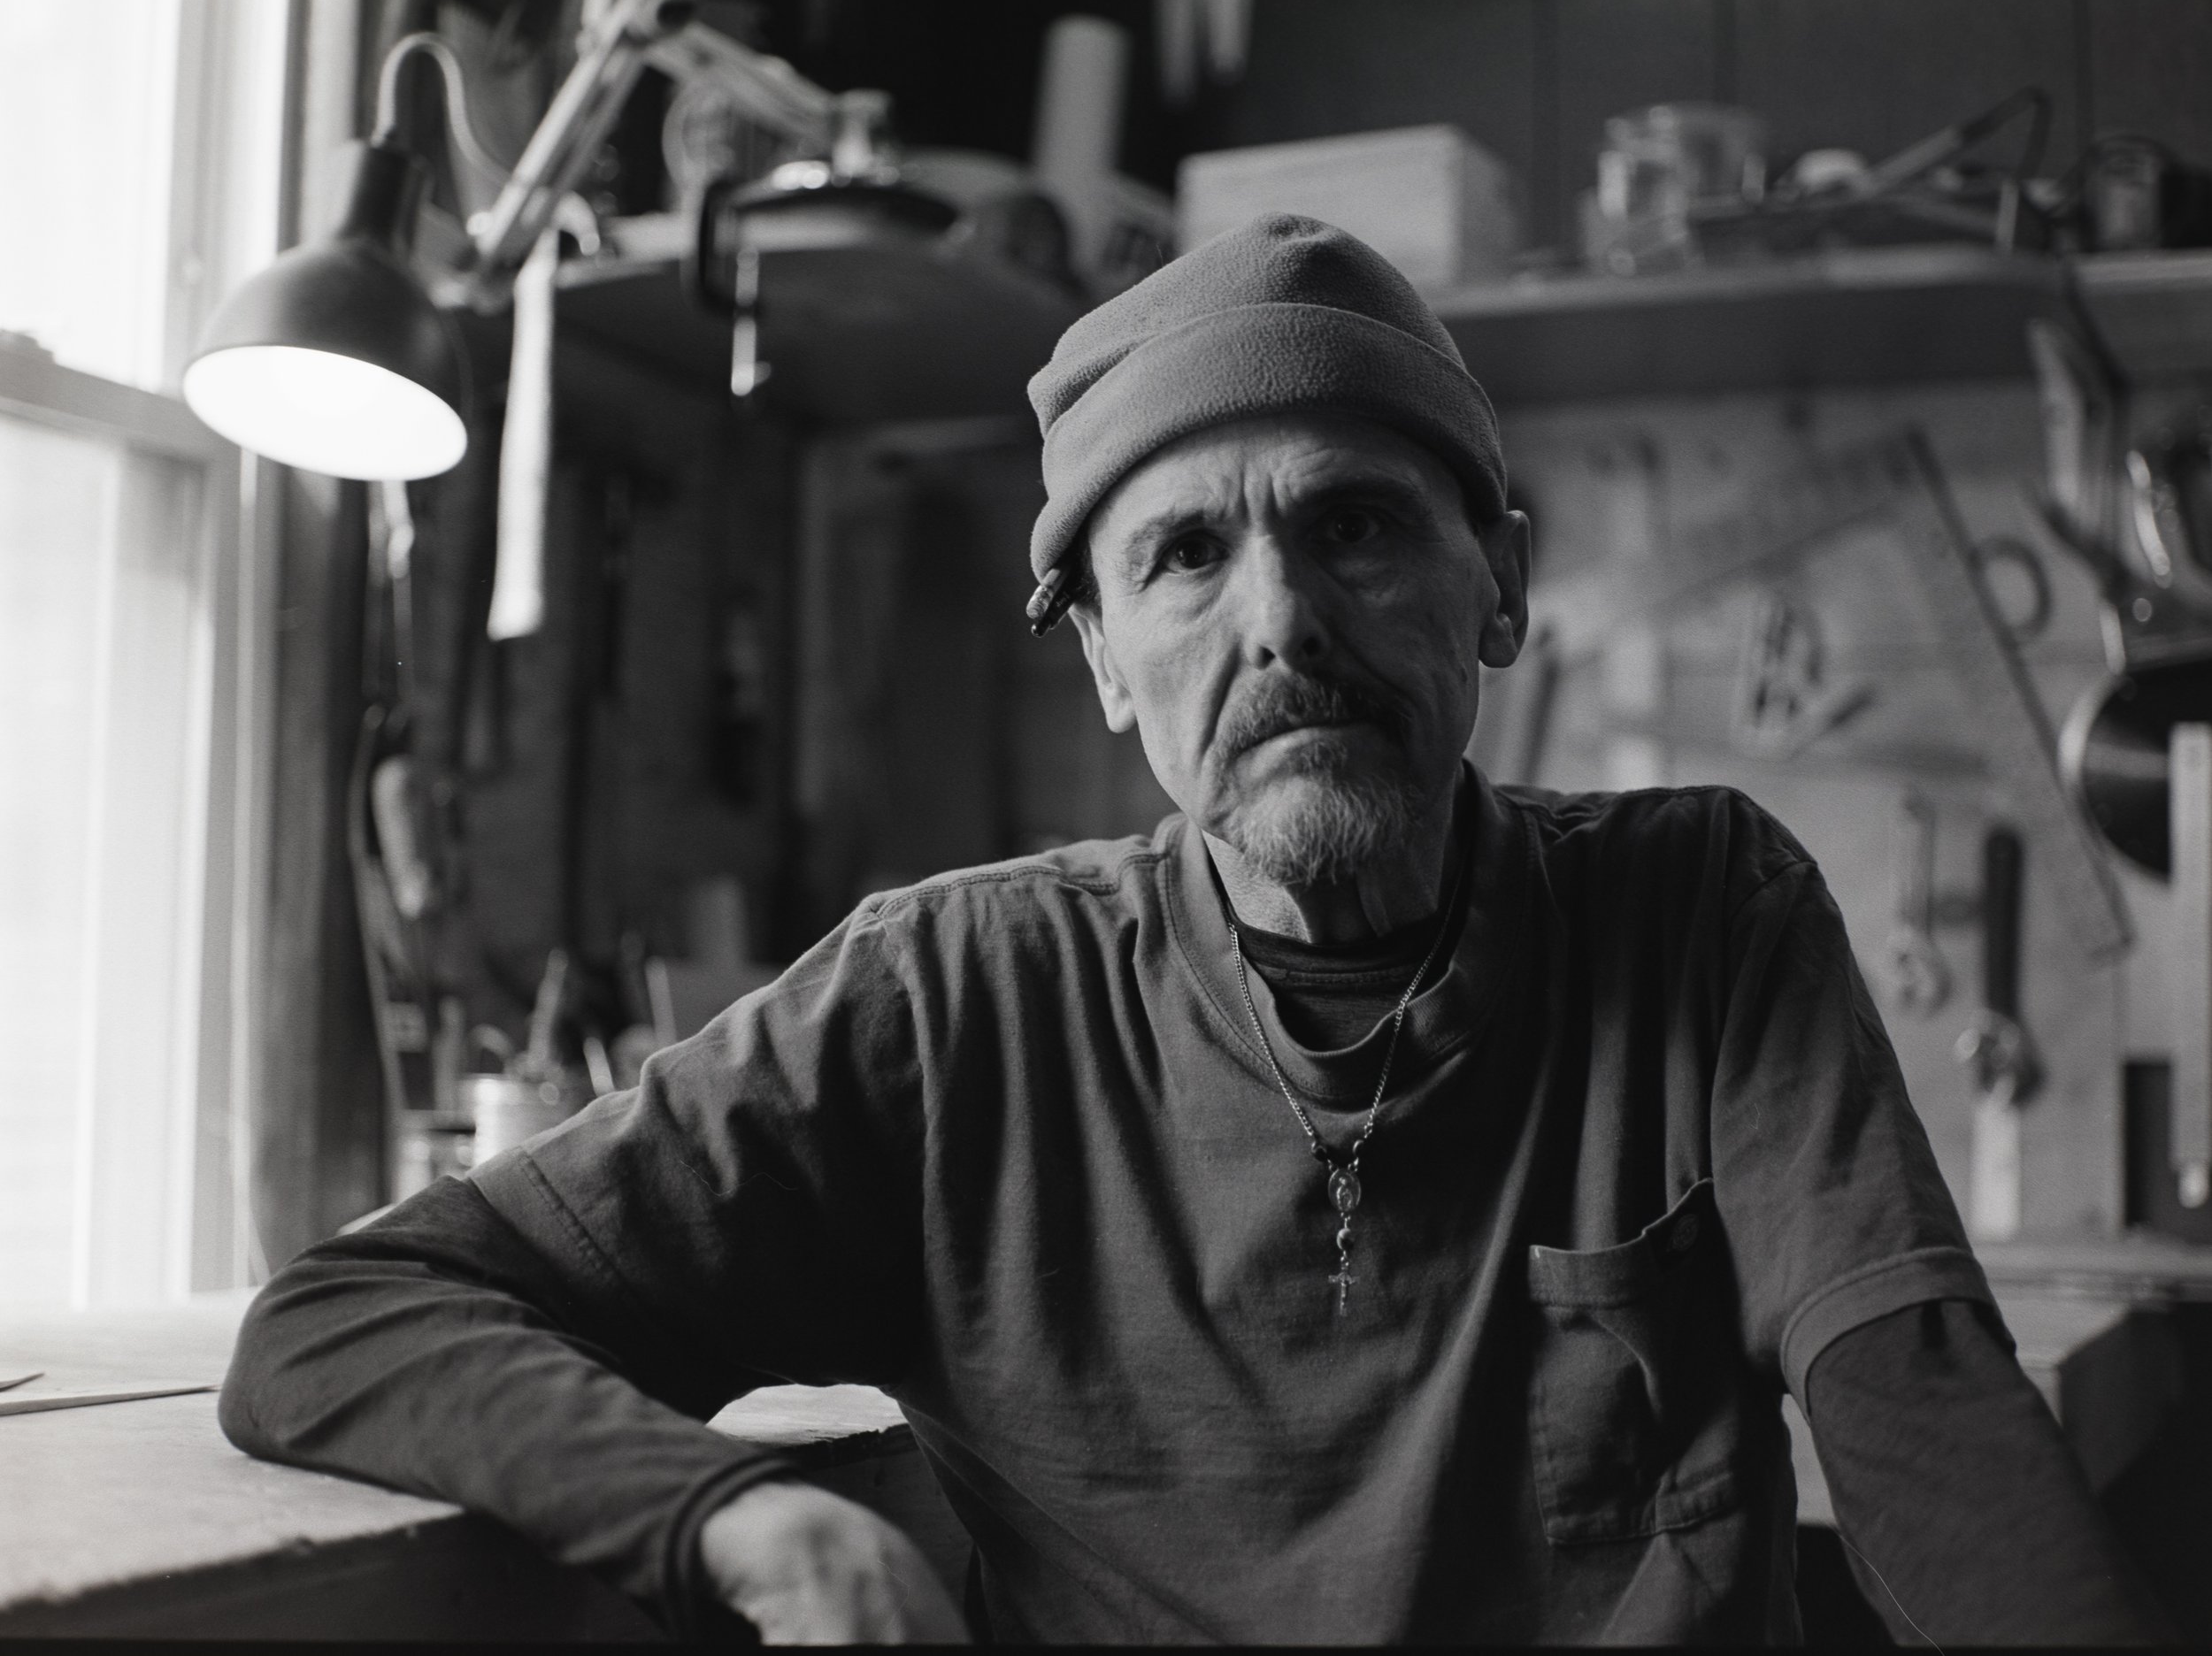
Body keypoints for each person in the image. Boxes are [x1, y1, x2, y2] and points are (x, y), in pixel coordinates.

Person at [223, 214, 2163, 1644]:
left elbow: (1922, 1415)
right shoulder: (947, 1004)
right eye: (1183, 555)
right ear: (1102, 669)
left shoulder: (1700, 912)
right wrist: (734, 1513)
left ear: (1492, 584)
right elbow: (347, 1318)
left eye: (1353, 527)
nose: (1280, 623)